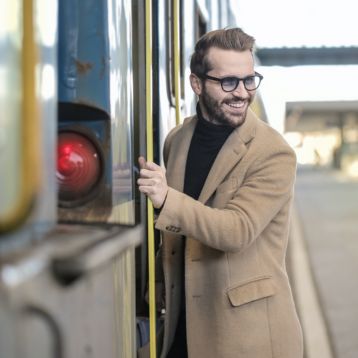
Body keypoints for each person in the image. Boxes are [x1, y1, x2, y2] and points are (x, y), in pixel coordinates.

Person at [137, 27, 303, 358]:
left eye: (248, 80)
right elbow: (177, 235)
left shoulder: (274, 153)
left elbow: (236, 230)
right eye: (228, 82)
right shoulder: (177, 140)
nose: (242, 93)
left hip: (247, 338)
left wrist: (166, 199)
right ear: (197, 84)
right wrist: (154, 290)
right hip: (183, 330)